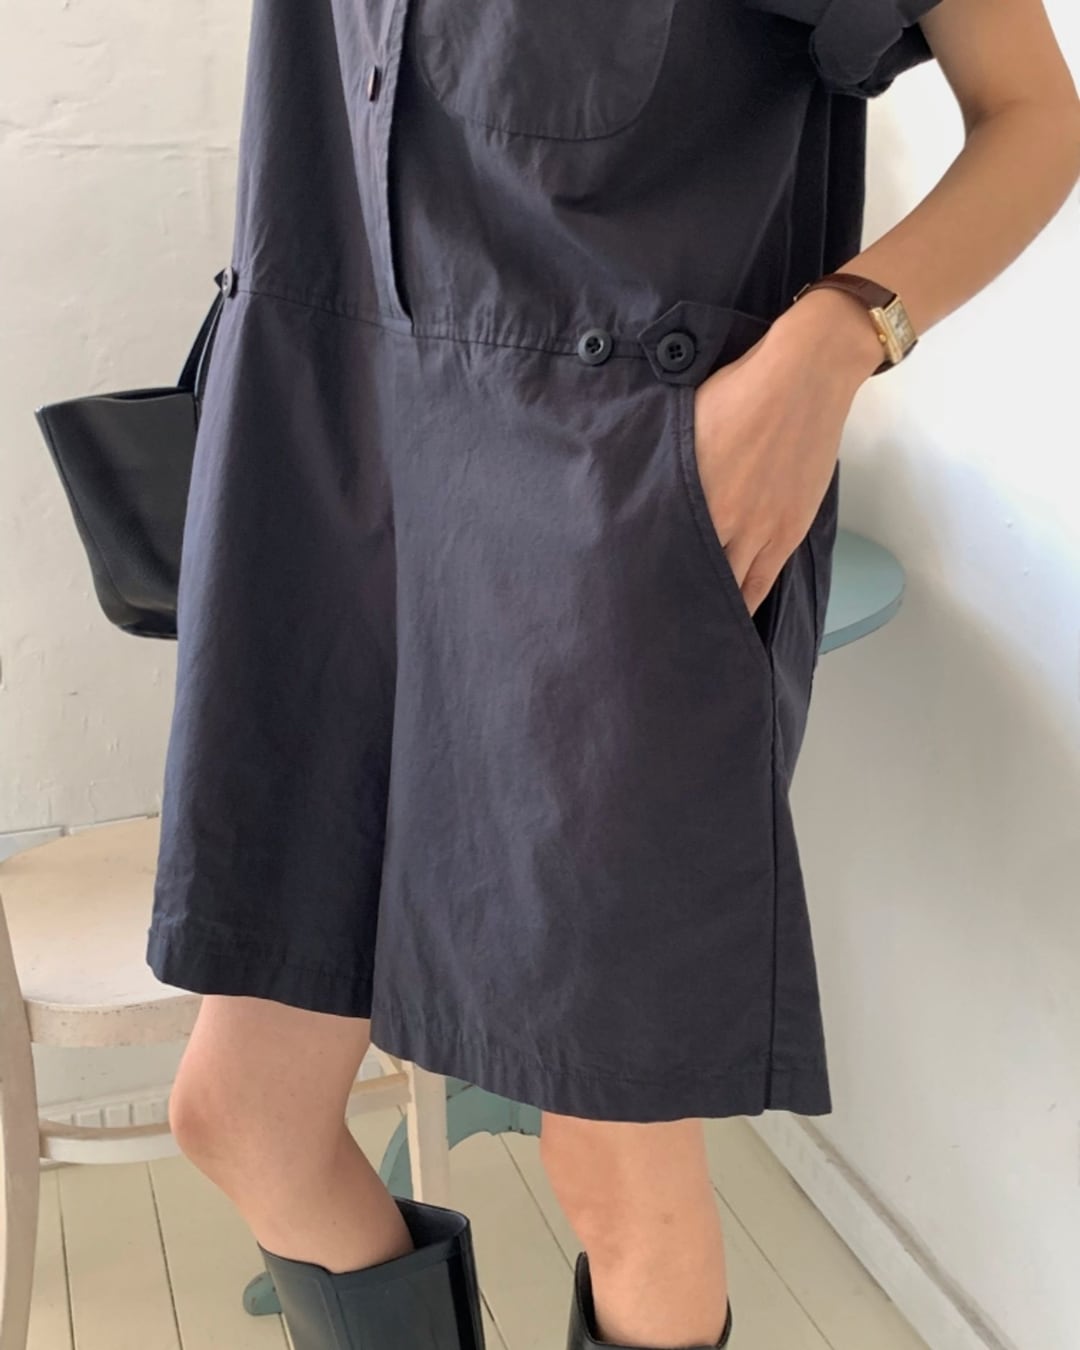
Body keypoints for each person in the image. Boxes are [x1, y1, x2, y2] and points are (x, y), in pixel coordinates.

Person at [145, 1, 1080, 1347]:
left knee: (613, 1161)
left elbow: (1035, 114)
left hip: (602, 490)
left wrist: (835, 343)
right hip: (329, 442)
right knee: (244, 1114)